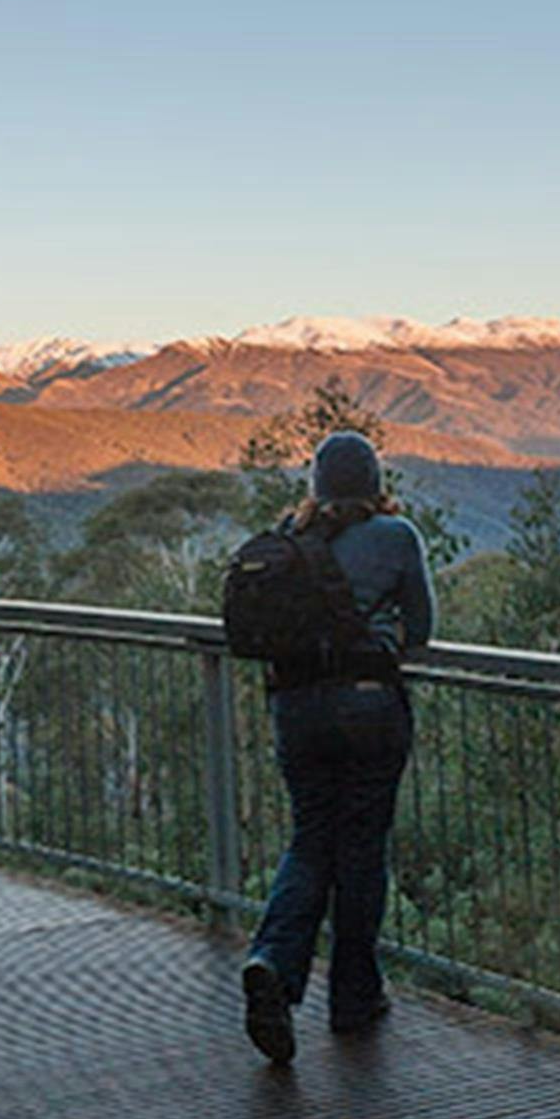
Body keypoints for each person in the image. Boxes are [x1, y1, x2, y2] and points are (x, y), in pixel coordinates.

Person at [242, 429, 435, 1064]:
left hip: (295, 707)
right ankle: (353, 997)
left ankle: (274, 961)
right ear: (377, 484)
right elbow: (423, 630)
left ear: (316, 486)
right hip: (369, 707)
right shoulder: (397, 537)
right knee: (360, 846)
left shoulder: (291, 538)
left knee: (310, 836)